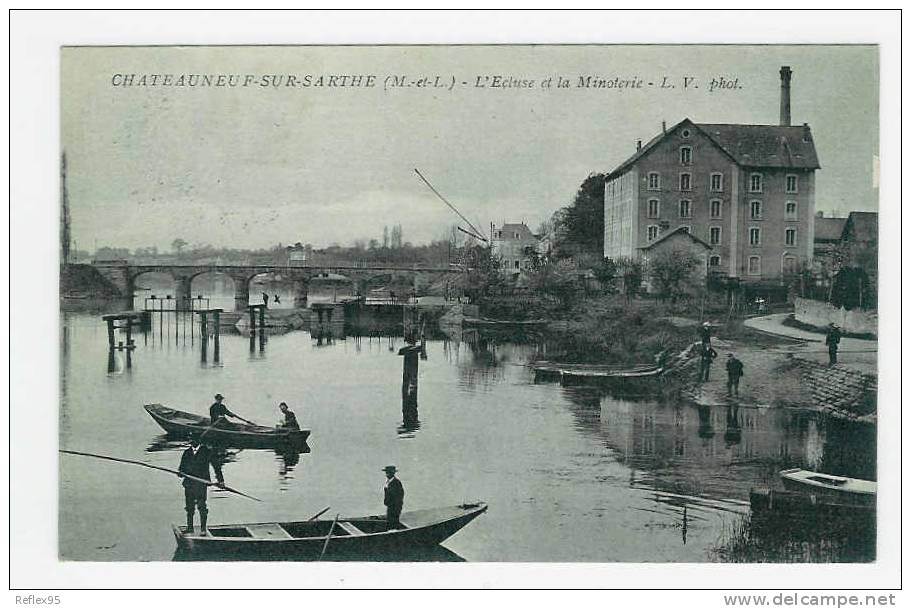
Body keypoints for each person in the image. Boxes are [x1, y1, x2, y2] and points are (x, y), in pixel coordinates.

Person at [178, 434, 224, 535]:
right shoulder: (186, 453)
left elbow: (216, 466)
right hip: (189, 484)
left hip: (201, 484)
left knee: (201, 506)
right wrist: (181, 473)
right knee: (189, 507)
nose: (191, 442)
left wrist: (221, 481)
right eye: (190, 440)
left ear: (198, 440)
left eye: (193, 440)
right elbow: (181, 468)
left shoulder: (207, 452)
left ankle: (203, 529)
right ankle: (190, 528)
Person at [382, 465, 405, 530]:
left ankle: (394, 533)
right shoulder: (388, 482)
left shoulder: (396, 482)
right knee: (389, 520)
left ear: (392, 473)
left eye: (388, 472)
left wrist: (396, 506)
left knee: (394, 520)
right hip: (390, 506)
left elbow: (400, 495)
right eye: (386, 472)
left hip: (395, 506)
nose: (387, 474)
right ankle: (391, 531)